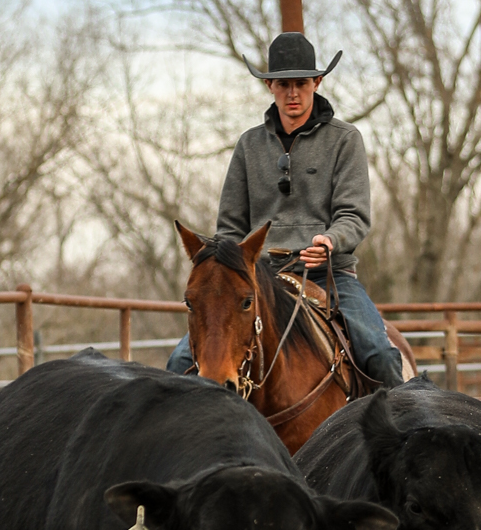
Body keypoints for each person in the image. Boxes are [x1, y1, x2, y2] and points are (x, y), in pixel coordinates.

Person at [166, 32, 405, 388]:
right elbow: (230, 228)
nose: (293, 93)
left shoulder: (344, 139)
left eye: (301, 83)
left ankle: (394, 438)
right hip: (257, 278)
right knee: (179, 363)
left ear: (317, 82)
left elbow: (354, 215)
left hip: (329, 275)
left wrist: (330, 240)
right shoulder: (249, 145)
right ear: (270, 87)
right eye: (283, 84)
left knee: (380, 356)